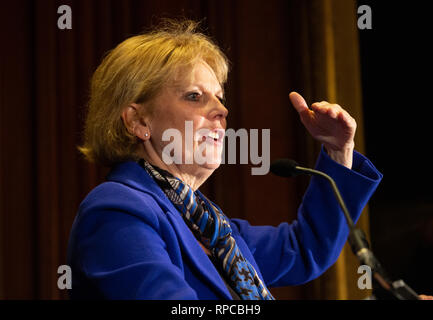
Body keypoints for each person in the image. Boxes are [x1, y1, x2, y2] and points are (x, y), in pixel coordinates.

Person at [67, 19, 384, 300]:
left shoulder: (209, 225)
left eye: (219, 96)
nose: (221, 110)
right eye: (195, 96)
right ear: (139, 121)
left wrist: (337, 150)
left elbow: (304, 248)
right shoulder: (116, 210)